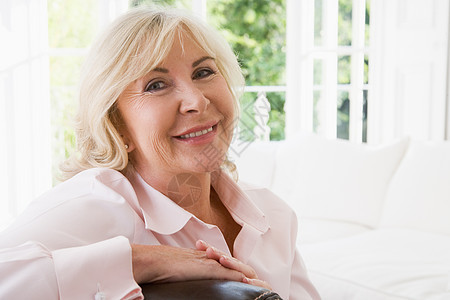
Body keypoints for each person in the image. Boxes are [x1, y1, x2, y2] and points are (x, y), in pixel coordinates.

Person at [0, 7, 320, 300]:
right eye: (156, 85)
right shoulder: (95, 205)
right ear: (117, 126)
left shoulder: (274, 216)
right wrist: (144, 259)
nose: (196, 100)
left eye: (204, 72)